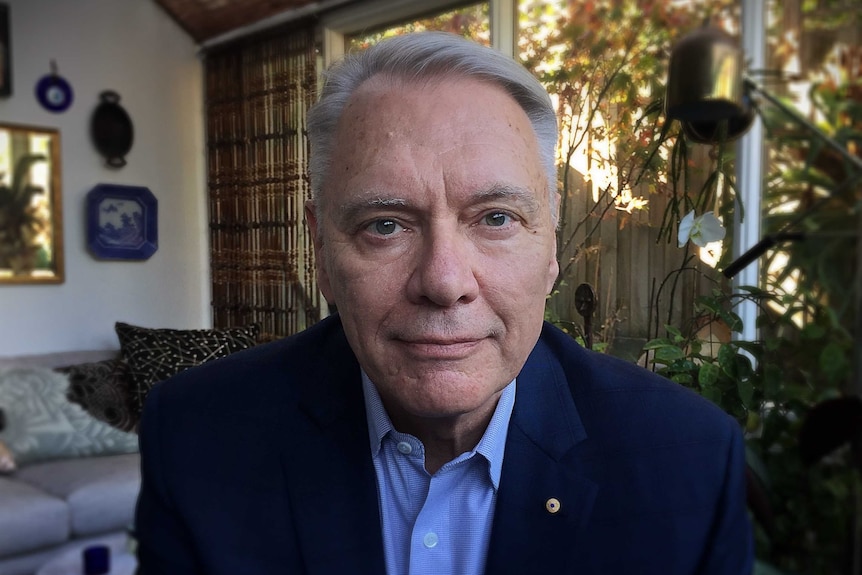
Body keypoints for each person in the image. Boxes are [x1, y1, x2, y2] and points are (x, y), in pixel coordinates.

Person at [134, 31, 753, 575]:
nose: (444, 281)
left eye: (497, 218)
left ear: (551, 247)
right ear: (320, 249)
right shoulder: (195, 440)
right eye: (385, 225)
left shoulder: (689, 464)